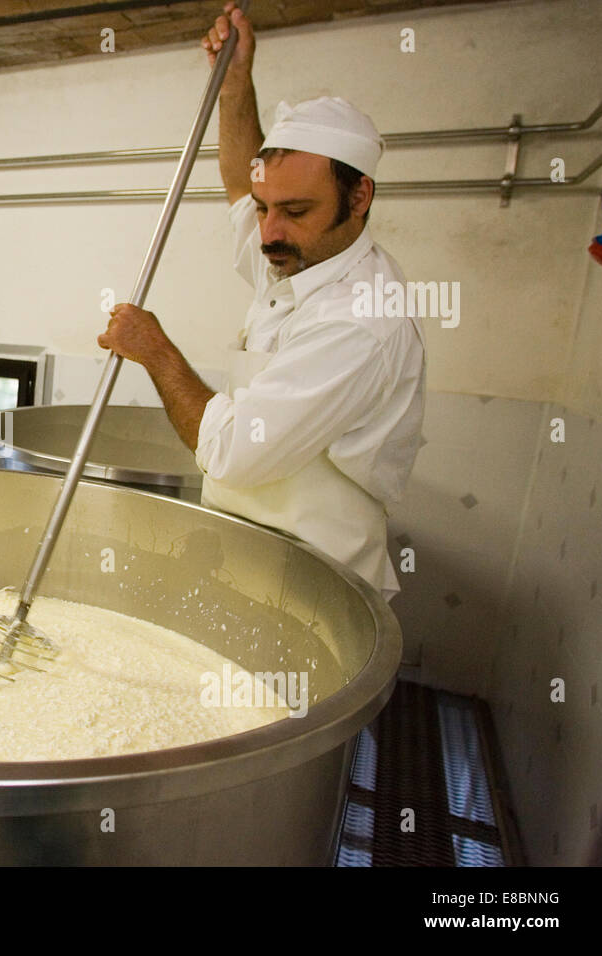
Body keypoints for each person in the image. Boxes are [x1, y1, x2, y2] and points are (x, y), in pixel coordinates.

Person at [97, 1, 426, 602]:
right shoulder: (298, 257)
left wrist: (155, 350)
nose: (268, 232)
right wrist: (235, 85)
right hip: (251, 562)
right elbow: (236, 181)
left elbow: (230, 452)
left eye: (295, 211)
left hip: (314, 588)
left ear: (359, 198)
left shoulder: (360, 319)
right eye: (264, 207)